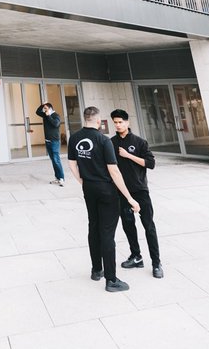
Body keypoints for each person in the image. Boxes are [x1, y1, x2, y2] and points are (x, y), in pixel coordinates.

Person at [67, 105, 141, 292]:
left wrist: (82, 181)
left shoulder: (74, 138)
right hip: (106, 191)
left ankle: (96, 270)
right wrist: (130, 198)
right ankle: (111, 280)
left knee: (94, 227)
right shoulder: (103, 140)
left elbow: (71, 164)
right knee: (107, 234)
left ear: (85, 119)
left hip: (89, 189)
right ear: (99, 121)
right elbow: (114, 172)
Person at [111, 109, 164, 278]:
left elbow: (151, 163)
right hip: (122, 192)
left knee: (149, 226)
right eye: (115, 122)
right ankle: (136, 256)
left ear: (127, 122)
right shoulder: (111, 143)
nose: (118, 125)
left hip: (140, 191)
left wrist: (128, 155)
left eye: (121, 122)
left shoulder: (140, 142)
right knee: (128, 226)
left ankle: (156, 263)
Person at [37, 101, 65, 186]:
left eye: (46, 108)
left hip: (54, 141)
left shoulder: (56, 115)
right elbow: (37, 112)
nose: (44, 110)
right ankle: (57, 178)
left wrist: (49, 115)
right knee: (53, 160)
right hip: (48, 141)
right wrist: (42, 104)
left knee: (56, 160)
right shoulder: (45, 115)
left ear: (50, 108)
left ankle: (61, 178)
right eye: (44, 108)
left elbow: (56, 124)